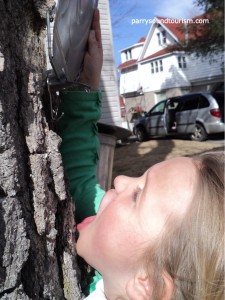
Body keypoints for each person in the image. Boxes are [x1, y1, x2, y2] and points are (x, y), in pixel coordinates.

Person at [57, 10, 225, 300]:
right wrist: (86, 87)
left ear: (145, 284)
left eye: (137, 195)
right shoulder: (120, 266)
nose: (120, 179)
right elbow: (79, 178)